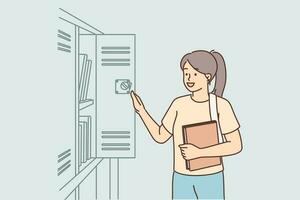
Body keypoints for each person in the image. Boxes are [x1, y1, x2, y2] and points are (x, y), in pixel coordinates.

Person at [130, 50, 242, 199]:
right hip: (181, 178)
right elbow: (160, 136)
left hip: (211, 176)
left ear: (207, 76)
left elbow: (236, 145)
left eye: (195, 74)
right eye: (186, 73)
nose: (189, 78)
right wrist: (141, 111)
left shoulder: (221, 105)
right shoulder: (178, 104)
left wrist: (199, 152)